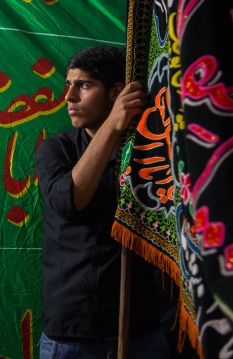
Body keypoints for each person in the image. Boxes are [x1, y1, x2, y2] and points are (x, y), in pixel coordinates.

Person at [35, 46, 169, 358]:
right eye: (68, 85)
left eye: (83, 85)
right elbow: (69, 203)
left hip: (142, 330)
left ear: (116, 93)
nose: (69, 96)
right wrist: (113, 124)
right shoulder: (56, 149)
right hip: (71, 333)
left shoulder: (151, 154)